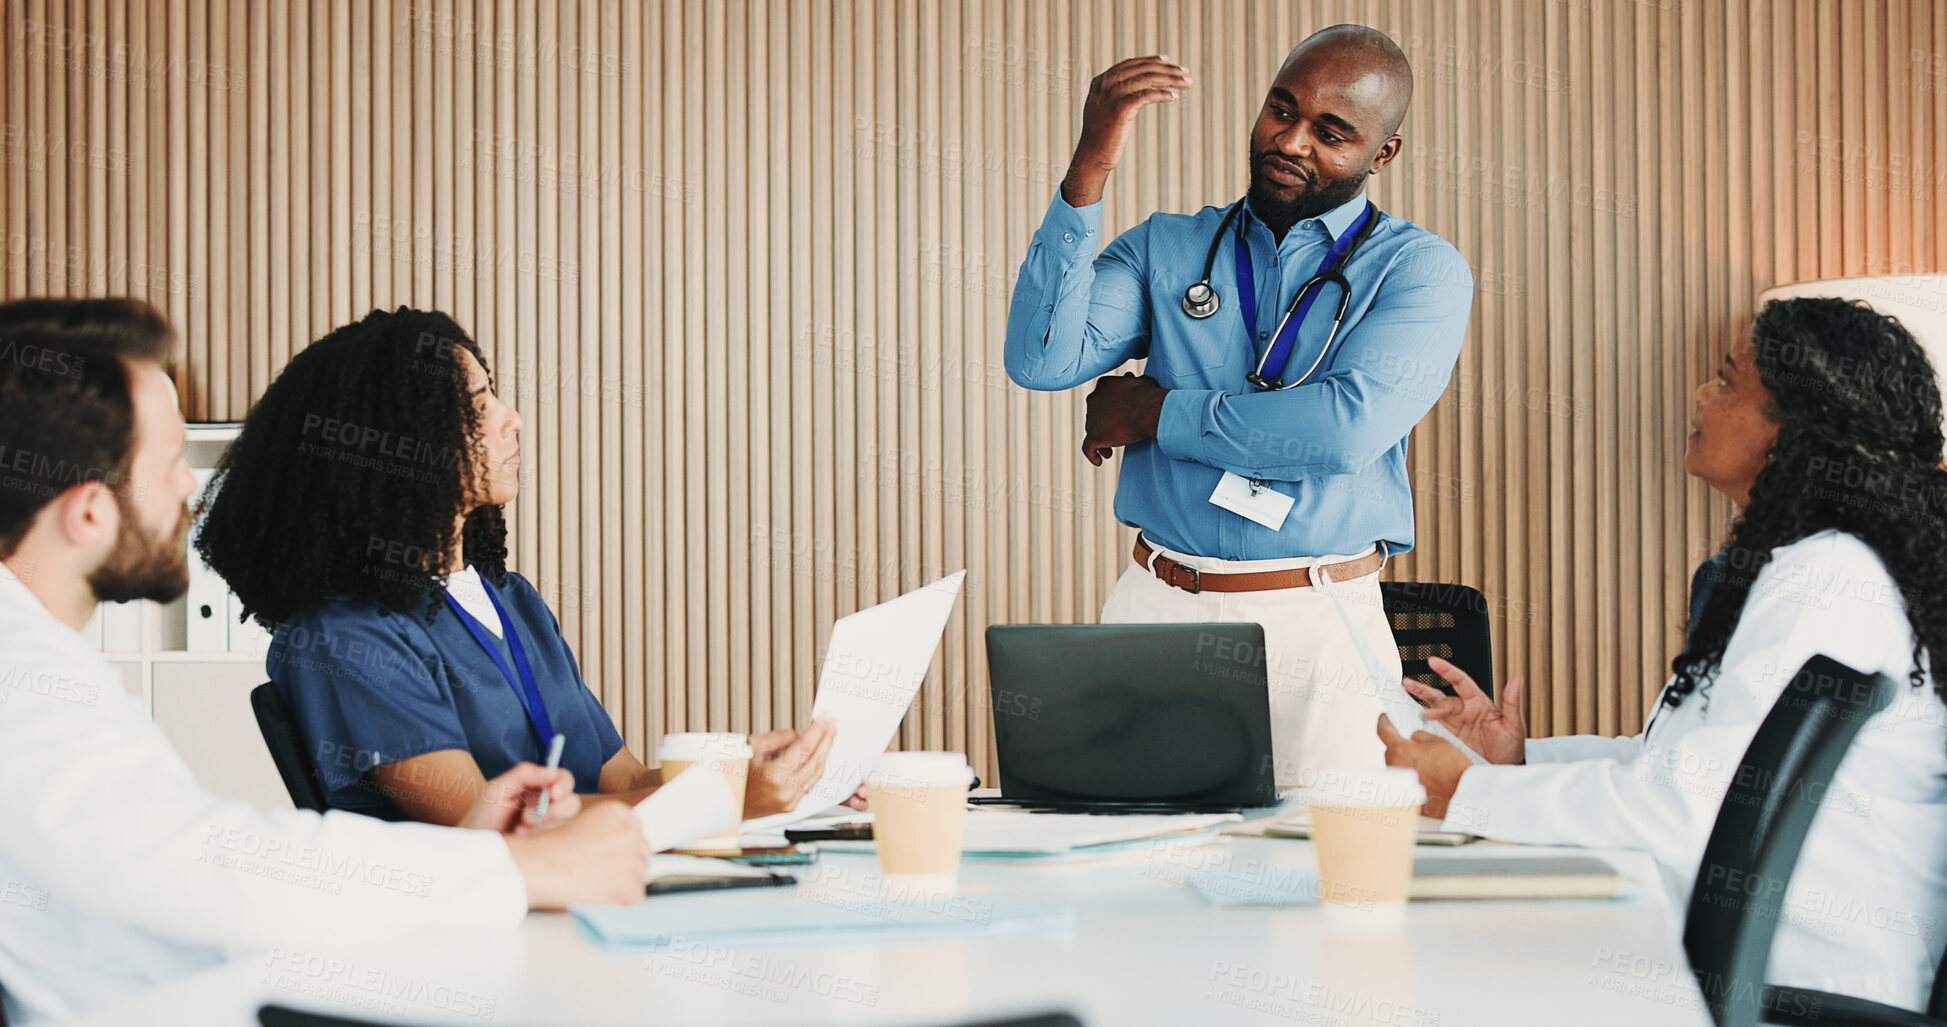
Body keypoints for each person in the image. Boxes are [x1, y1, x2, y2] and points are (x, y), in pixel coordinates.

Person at [0, 298, 650, 1026]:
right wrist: (513, 867)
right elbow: (216, 873)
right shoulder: (19, 685)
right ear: (89, 512)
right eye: (167, 463)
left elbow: (181, 860)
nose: (192, 485)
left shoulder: (46, 666)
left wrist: (479, 852)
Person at [1380, 297, 1947, 1011]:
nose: (1701, 396)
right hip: (1771, 959)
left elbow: (1689, 808)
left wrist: (1463, 792)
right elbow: (1679, 769)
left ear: (1797, 430)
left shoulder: (1827, 581)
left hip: (1797, 980)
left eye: (1725, 381)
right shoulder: (1816, 566)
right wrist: (1518, 761)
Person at [1003, 24, 1474, 786]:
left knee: (1333, 881)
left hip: (1318, 625)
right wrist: (1089, 168)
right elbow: (1040, 358)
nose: (1289, 141)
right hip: (1156, 605)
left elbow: (1341, 429)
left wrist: (1155, 414)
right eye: (1279, 110)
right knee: (1131, 872)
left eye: (1330, 131)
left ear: (1381, 154)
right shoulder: (1167, 246)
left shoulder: (1420, 272)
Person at [195, 307, 854, 825]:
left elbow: (619, 781)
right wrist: (725, 803)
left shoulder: (513, 600)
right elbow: (487, 827)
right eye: (479, 406)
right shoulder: (347, 638)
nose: (513, 419)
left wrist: (747, 775)